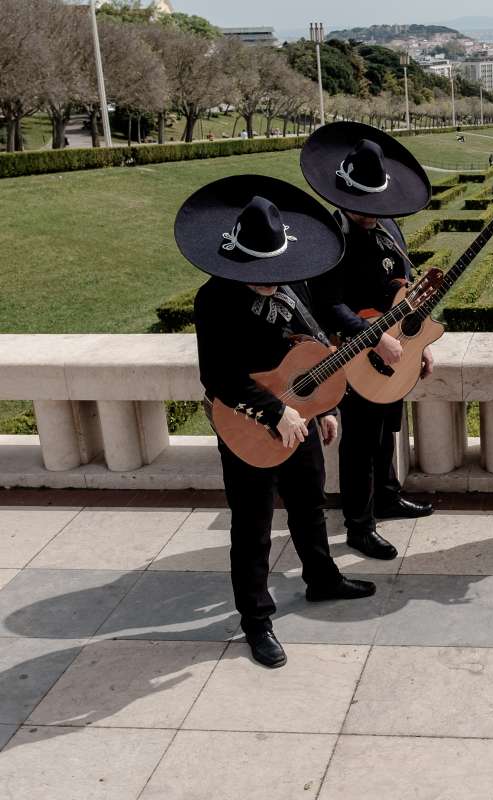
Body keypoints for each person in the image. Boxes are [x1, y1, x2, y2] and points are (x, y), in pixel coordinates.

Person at [175, 175, 377, 669]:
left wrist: (322, 408)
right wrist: (275, 410)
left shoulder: (293, 281)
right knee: (253, 526)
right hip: (245, 424)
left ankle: (322, 578)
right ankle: (256, 619)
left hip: (298, 417)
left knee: (310, 504)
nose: (272, 280)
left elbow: (308, 353)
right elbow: (218, 375)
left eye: (276, 270)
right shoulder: (215, 301)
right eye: (261, 274)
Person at [300, 122, 436, 560]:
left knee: (385, 434)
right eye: (360, 206)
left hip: (393, 350)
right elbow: (329, 306)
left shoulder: (389, 227)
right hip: (355, 355)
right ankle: (360, 525)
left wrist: (419, 342)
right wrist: (374, 338)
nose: (368, 213)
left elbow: (405, 287)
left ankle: (389, 497)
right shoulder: (333, 241)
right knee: (359, 443)